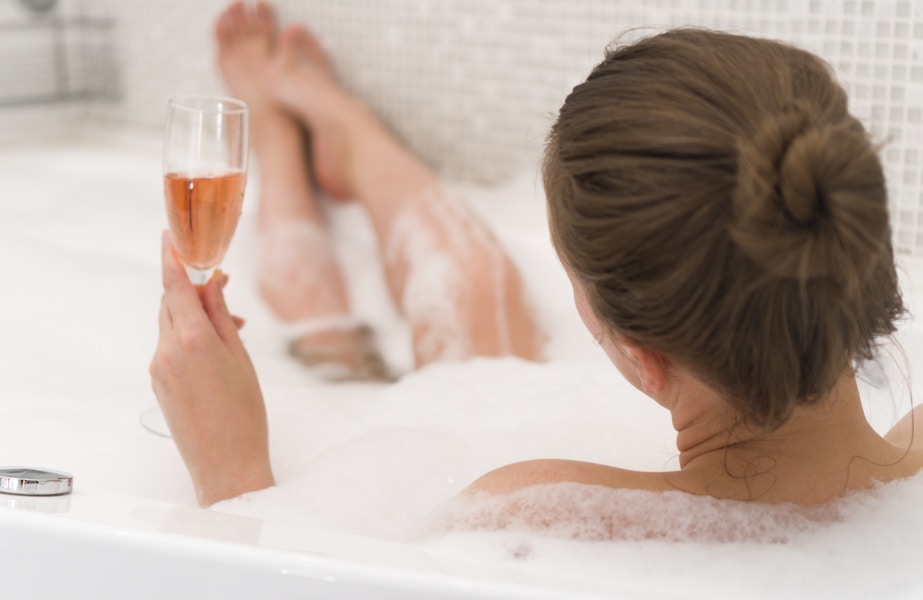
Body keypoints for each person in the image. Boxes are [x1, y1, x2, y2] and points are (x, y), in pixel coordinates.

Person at [150, 2, 923, 515]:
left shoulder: (539, 519)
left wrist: (234, 487)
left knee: (462, 303)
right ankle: (340, 146)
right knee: (468, 302)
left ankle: (308, 159)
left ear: (643, 359)